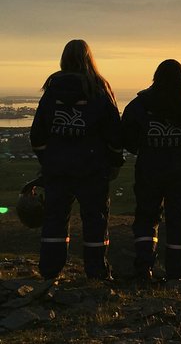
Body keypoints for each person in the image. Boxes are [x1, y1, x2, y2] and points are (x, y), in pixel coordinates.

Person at [30, 39, 124, 280]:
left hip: (57, 169)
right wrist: (114, 161)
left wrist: (47, 159)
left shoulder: (52, 90)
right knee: (95, 219)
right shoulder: (99, 89)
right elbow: (114, 131)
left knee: (54, 220)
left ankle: (50, 272)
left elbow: (38, 133)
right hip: (93, 170)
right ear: (89, 59)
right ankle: (96, 271)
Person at [121, 59, 181, 282]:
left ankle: (143, 269)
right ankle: (175, 271)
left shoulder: (140, 103)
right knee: (179, 219)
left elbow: (126, 134)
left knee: (146, 217)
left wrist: (144, 149)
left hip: (149, 168)